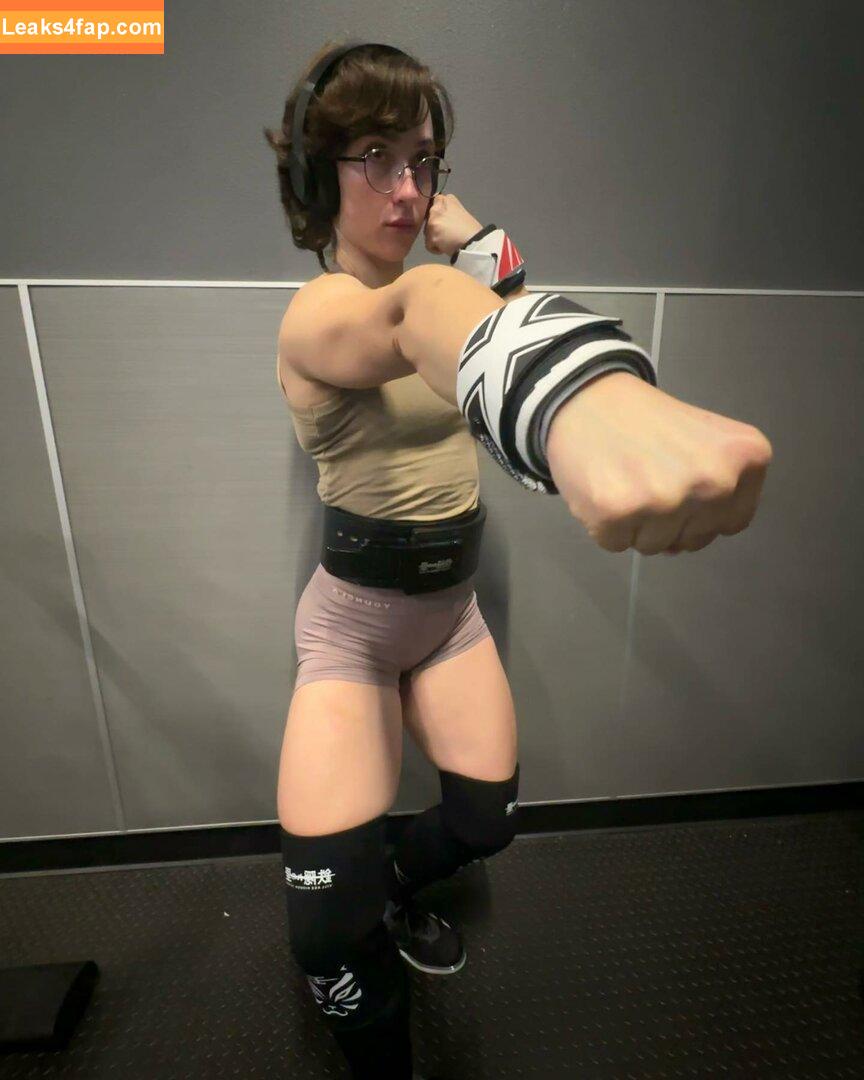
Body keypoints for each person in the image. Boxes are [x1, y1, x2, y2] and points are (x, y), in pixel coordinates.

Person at [264, 39, 772, 1080]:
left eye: (422, 160)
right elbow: (417, 317)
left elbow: (476, 318)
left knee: (484, 819)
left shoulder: (445, 278)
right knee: (325, 936)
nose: (406, 189)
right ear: (320, 178)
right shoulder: (323, 313)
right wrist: (578, 397)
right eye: (374, 157)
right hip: (355, 632)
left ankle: (392, 885)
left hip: (450, 615)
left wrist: (489, 246)